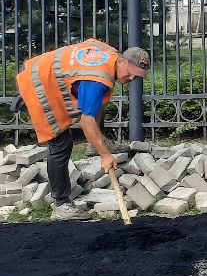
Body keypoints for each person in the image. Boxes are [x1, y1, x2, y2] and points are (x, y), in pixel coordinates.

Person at [17, 40, 150, 207]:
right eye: (131, 73)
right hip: (37, 82)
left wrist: (99, 144)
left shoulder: (110, 56)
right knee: (61, 144)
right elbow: (86, 122)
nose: (132, 78)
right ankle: (61, 203)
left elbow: (89, 44)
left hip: (45, 71)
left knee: (97, 103)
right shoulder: (97, 81)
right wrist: (105, 155)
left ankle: (96, 145)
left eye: (137, 77)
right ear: (122, 60)